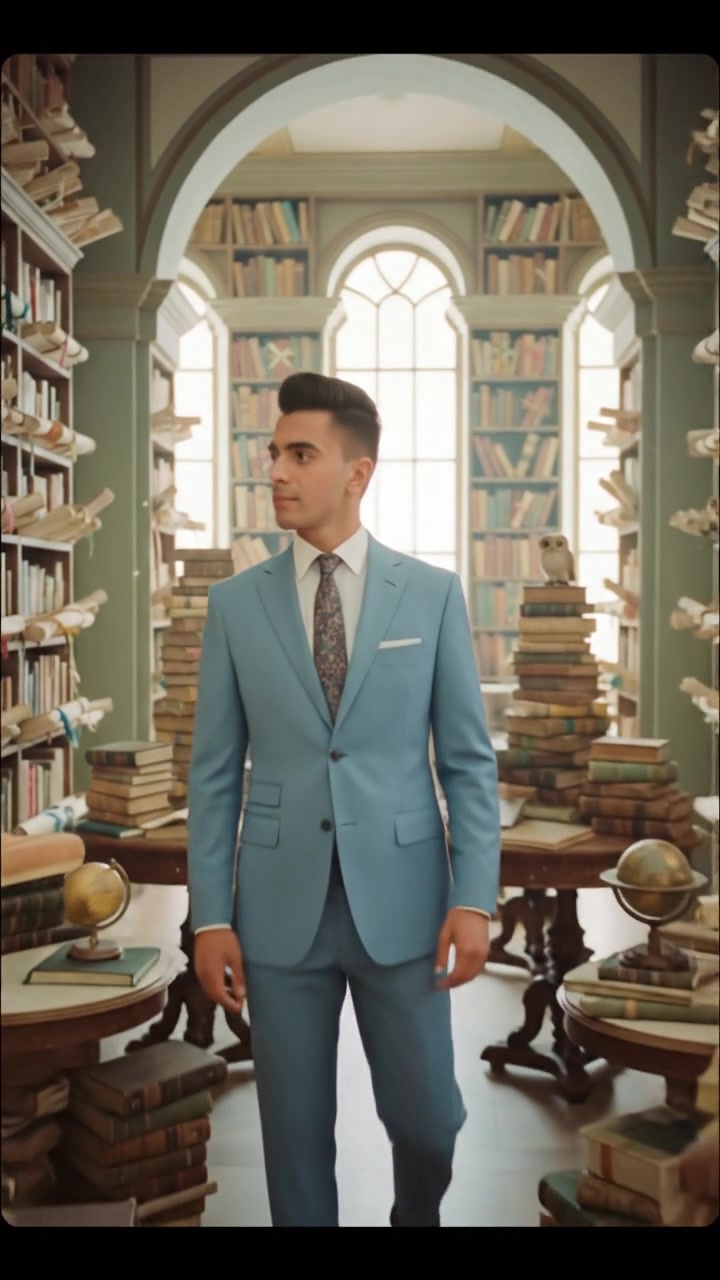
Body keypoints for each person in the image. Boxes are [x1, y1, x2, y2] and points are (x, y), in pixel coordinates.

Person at [187, 371, 500, 1227]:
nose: (276, 472)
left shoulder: (429, 595)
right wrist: (210, 916)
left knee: (430, 1123)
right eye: (273, 454)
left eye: (300, 454)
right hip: (278, 913)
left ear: (357, 473)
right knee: (293, 1142)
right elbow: (214, 774)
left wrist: (474, 897)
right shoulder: (233, 606)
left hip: (403, 905)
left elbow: (469, 764)